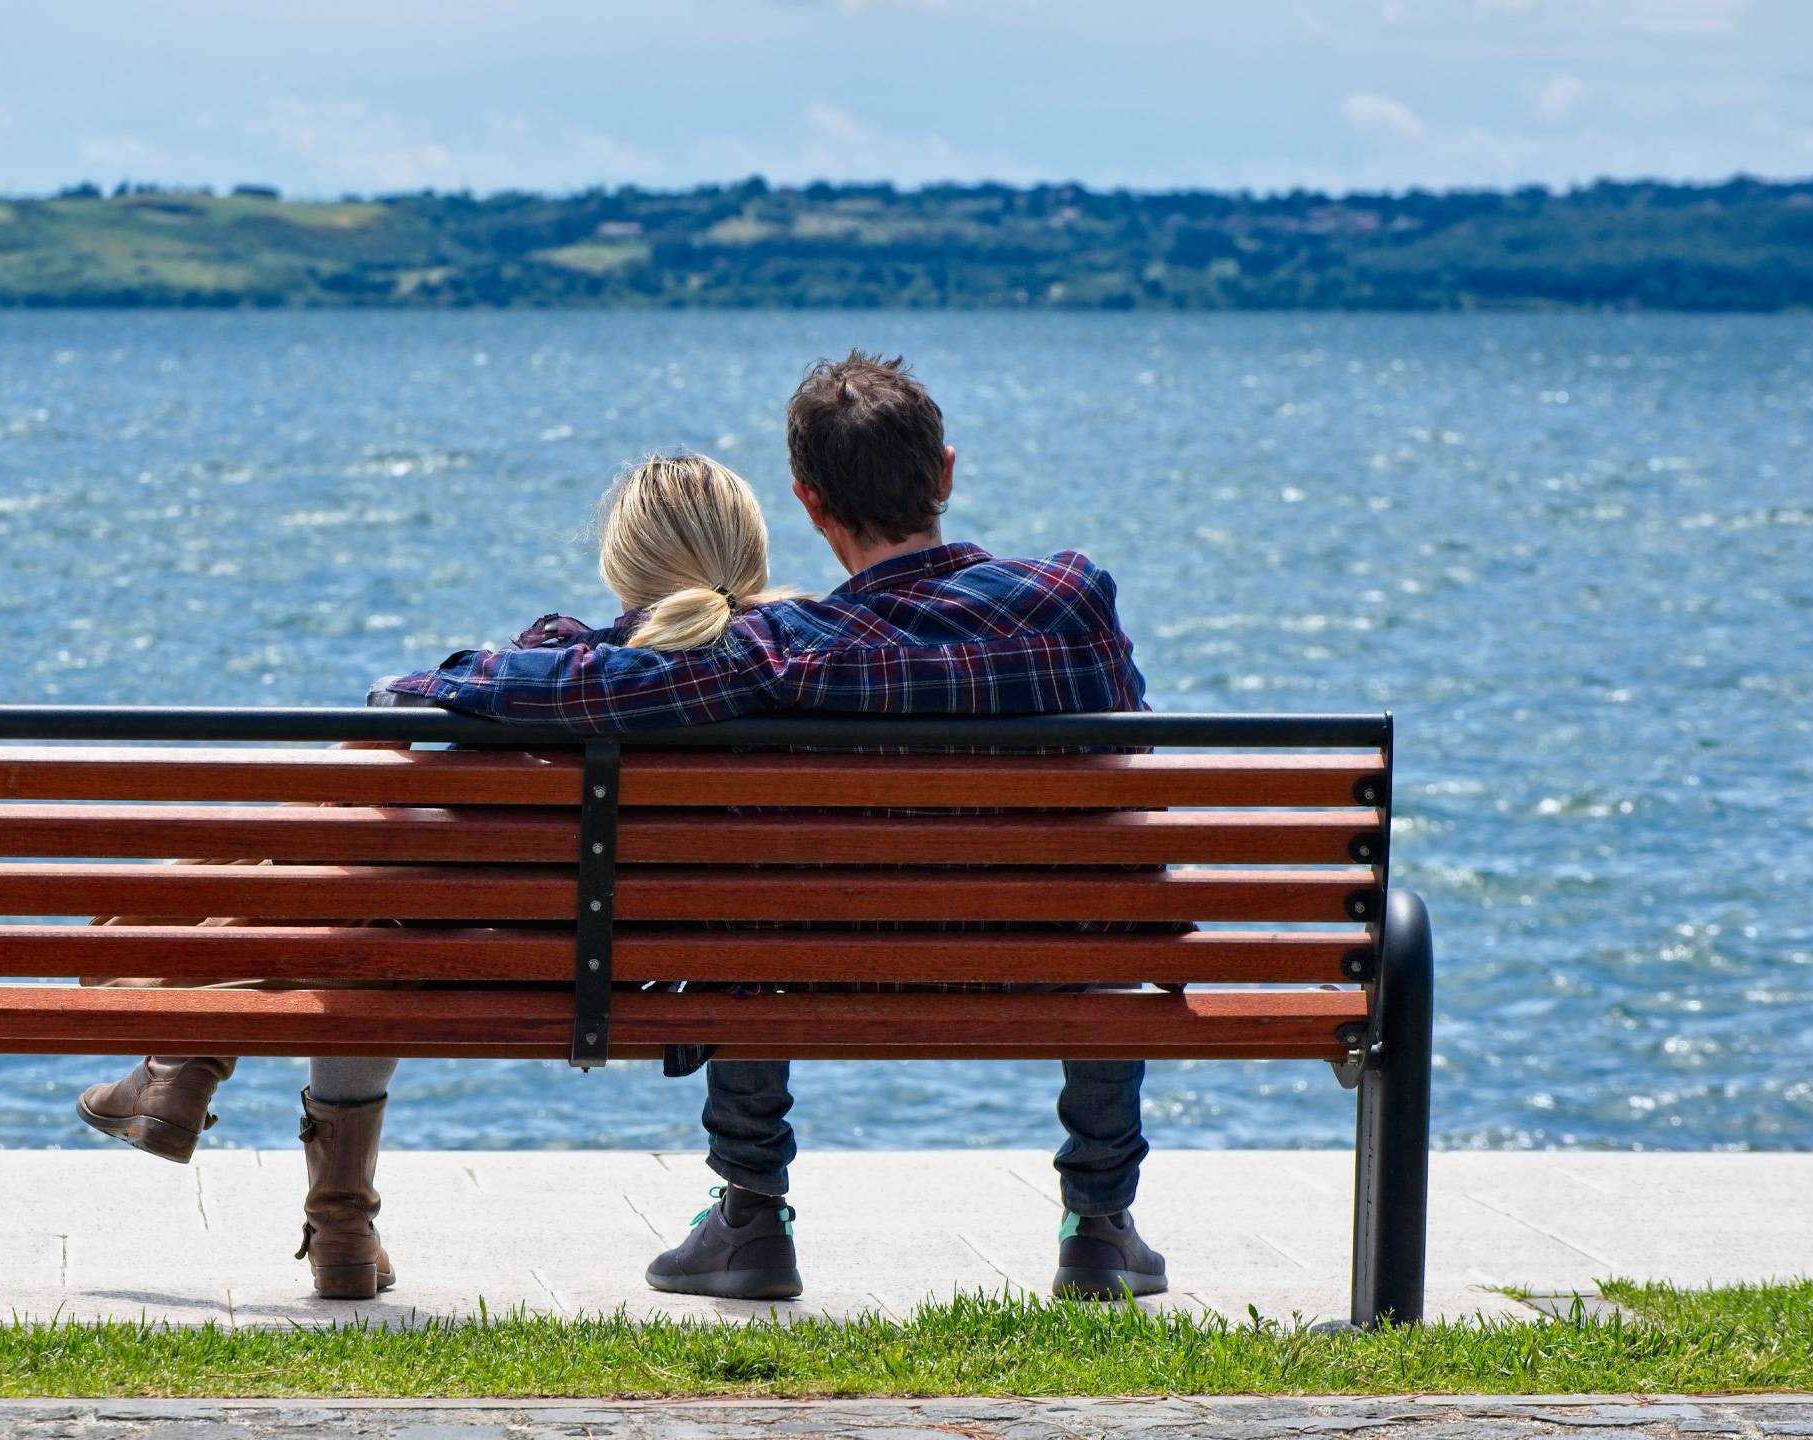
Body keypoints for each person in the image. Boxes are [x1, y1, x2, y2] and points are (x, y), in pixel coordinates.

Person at [378, 351, 1171, 1303]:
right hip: (1050, 955)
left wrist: (429, 686)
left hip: (830, 954)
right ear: (946, 472)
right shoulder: (1075, 601)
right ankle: (1097, 1225)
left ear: (807, 501)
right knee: (1103, 904)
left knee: (747, 900)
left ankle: (752, 1214)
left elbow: (592, 685)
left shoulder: (786, 649)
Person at [73, 452, 802, 1301]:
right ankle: (213, 1090)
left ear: (624, 562)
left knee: (374, 874)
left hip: (491, 955)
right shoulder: (801, 675)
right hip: (668, 974)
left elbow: (398, 698)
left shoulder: (562, 668)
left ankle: (195, 1065)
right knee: (376, 879)